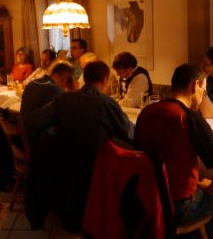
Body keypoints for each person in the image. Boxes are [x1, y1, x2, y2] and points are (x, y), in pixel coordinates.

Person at [26, 61, 135, 232]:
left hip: (63, 164)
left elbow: (35, 120)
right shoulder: (106, 103)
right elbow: (129, 133)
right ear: (105, 79)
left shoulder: (63, 98)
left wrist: (58, 129)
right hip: (94, 165)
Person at [135, 64, 213, 239]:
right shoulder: (190, 118)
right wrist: (210, 191)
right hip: (180, 205)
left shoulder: (146, 112)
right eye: (204, 91)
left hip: (146, 199)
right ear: (195, 85)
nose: (201, 96)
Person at [21, 62, 75, 148]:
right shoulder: (54, 90)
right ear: (65, 79)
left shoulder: (32, 84)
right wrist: (73, 91)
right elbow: (68, 118)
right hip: (37, 145)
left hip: (24, 139)